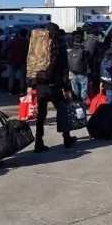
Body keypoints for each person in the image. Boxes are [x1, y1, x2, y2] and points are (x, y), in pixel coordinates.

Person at [30, 23, 77, 152]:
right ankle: (66, 137)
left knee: (41, 116)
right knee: (62, 112)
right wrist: (67, 87)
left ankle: (38, 142)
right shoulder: (59, 45)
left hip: (41, 86)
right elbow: (64, 67)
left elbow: (31, 65)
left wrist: (31, 84)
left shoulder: (38, 45)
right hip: (55, 86)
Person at [68, 30, 89, 104]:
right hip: (82, 72)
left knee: (75, 89)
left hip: (72, 72)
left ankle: (76, 103)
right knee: (84, 88)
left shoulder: (69, 50)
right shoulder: (84, 50)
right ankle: (82, 102)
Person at [6, 27, 29, 95]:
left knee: (11, 76)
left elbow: (7, 47)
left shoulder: (14, 40)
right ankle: (21, 91)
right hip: (22, 61)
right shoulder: (26, 42)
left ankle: (10, 91)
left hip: (13, 60)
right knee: (22, 77)